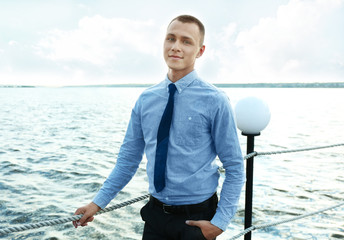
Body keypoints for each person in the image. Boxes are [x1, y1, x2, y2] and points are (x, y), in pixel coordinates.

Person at [73, 15, 245, 240]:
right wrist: (96, 204)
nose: (176, 47)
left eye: (186, 41)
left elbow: (234, 166)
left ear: (200, 51)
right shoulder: (146, 100)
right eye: (170, 39)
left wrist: (220, 223)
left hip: (197, 219)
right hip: (154, 216)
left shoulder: (215, 100)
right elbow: (127, 161)